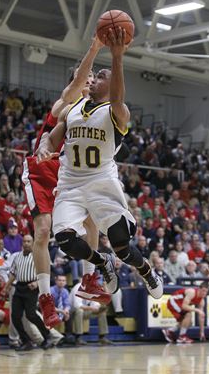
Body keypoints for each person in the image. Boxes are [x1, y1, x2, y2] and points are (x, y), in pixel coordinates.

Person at [37, 27, 163, 301]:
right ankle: (101, 263)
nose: (93, 80)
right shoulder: (71, 109)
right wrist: (45, 148)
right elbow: (52, 136)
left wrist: (117, 58)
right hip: (70, 183)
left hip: (101, 182)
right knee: (65, 240)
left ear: (111, 85)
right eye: (93, 77)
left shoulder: (117, 111)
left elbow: (118, 96)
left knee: (121, 246)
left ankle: (146, 270)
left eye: (101, 77)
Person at [22, 36, 108, 329]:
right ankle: (45, 298)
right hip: (40, 171)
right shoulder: (67, 101)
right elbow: (76, 85)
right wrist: (94, 49)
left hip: (68, 175)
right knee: (43, 231)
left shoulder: (96, 114)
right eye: (87, 78)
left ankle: (88, 277)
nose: (90, 82)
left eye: (94, 79)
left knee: (92, 219)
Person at [2, 235, 53, 351]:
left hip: (32, 287)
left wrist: (37, 282)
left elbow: (46, 272)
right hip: (19, 286)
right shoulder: (17, 256)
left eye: (29, 241)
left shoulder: (38, 256)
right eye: (24, 241)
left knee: (31, 314)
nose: (26, 243)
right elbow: (13, 273)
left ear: (33, 243)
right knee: (15, 316)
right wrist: (6, 287)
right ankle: (26, 341)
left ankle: (47, 336)